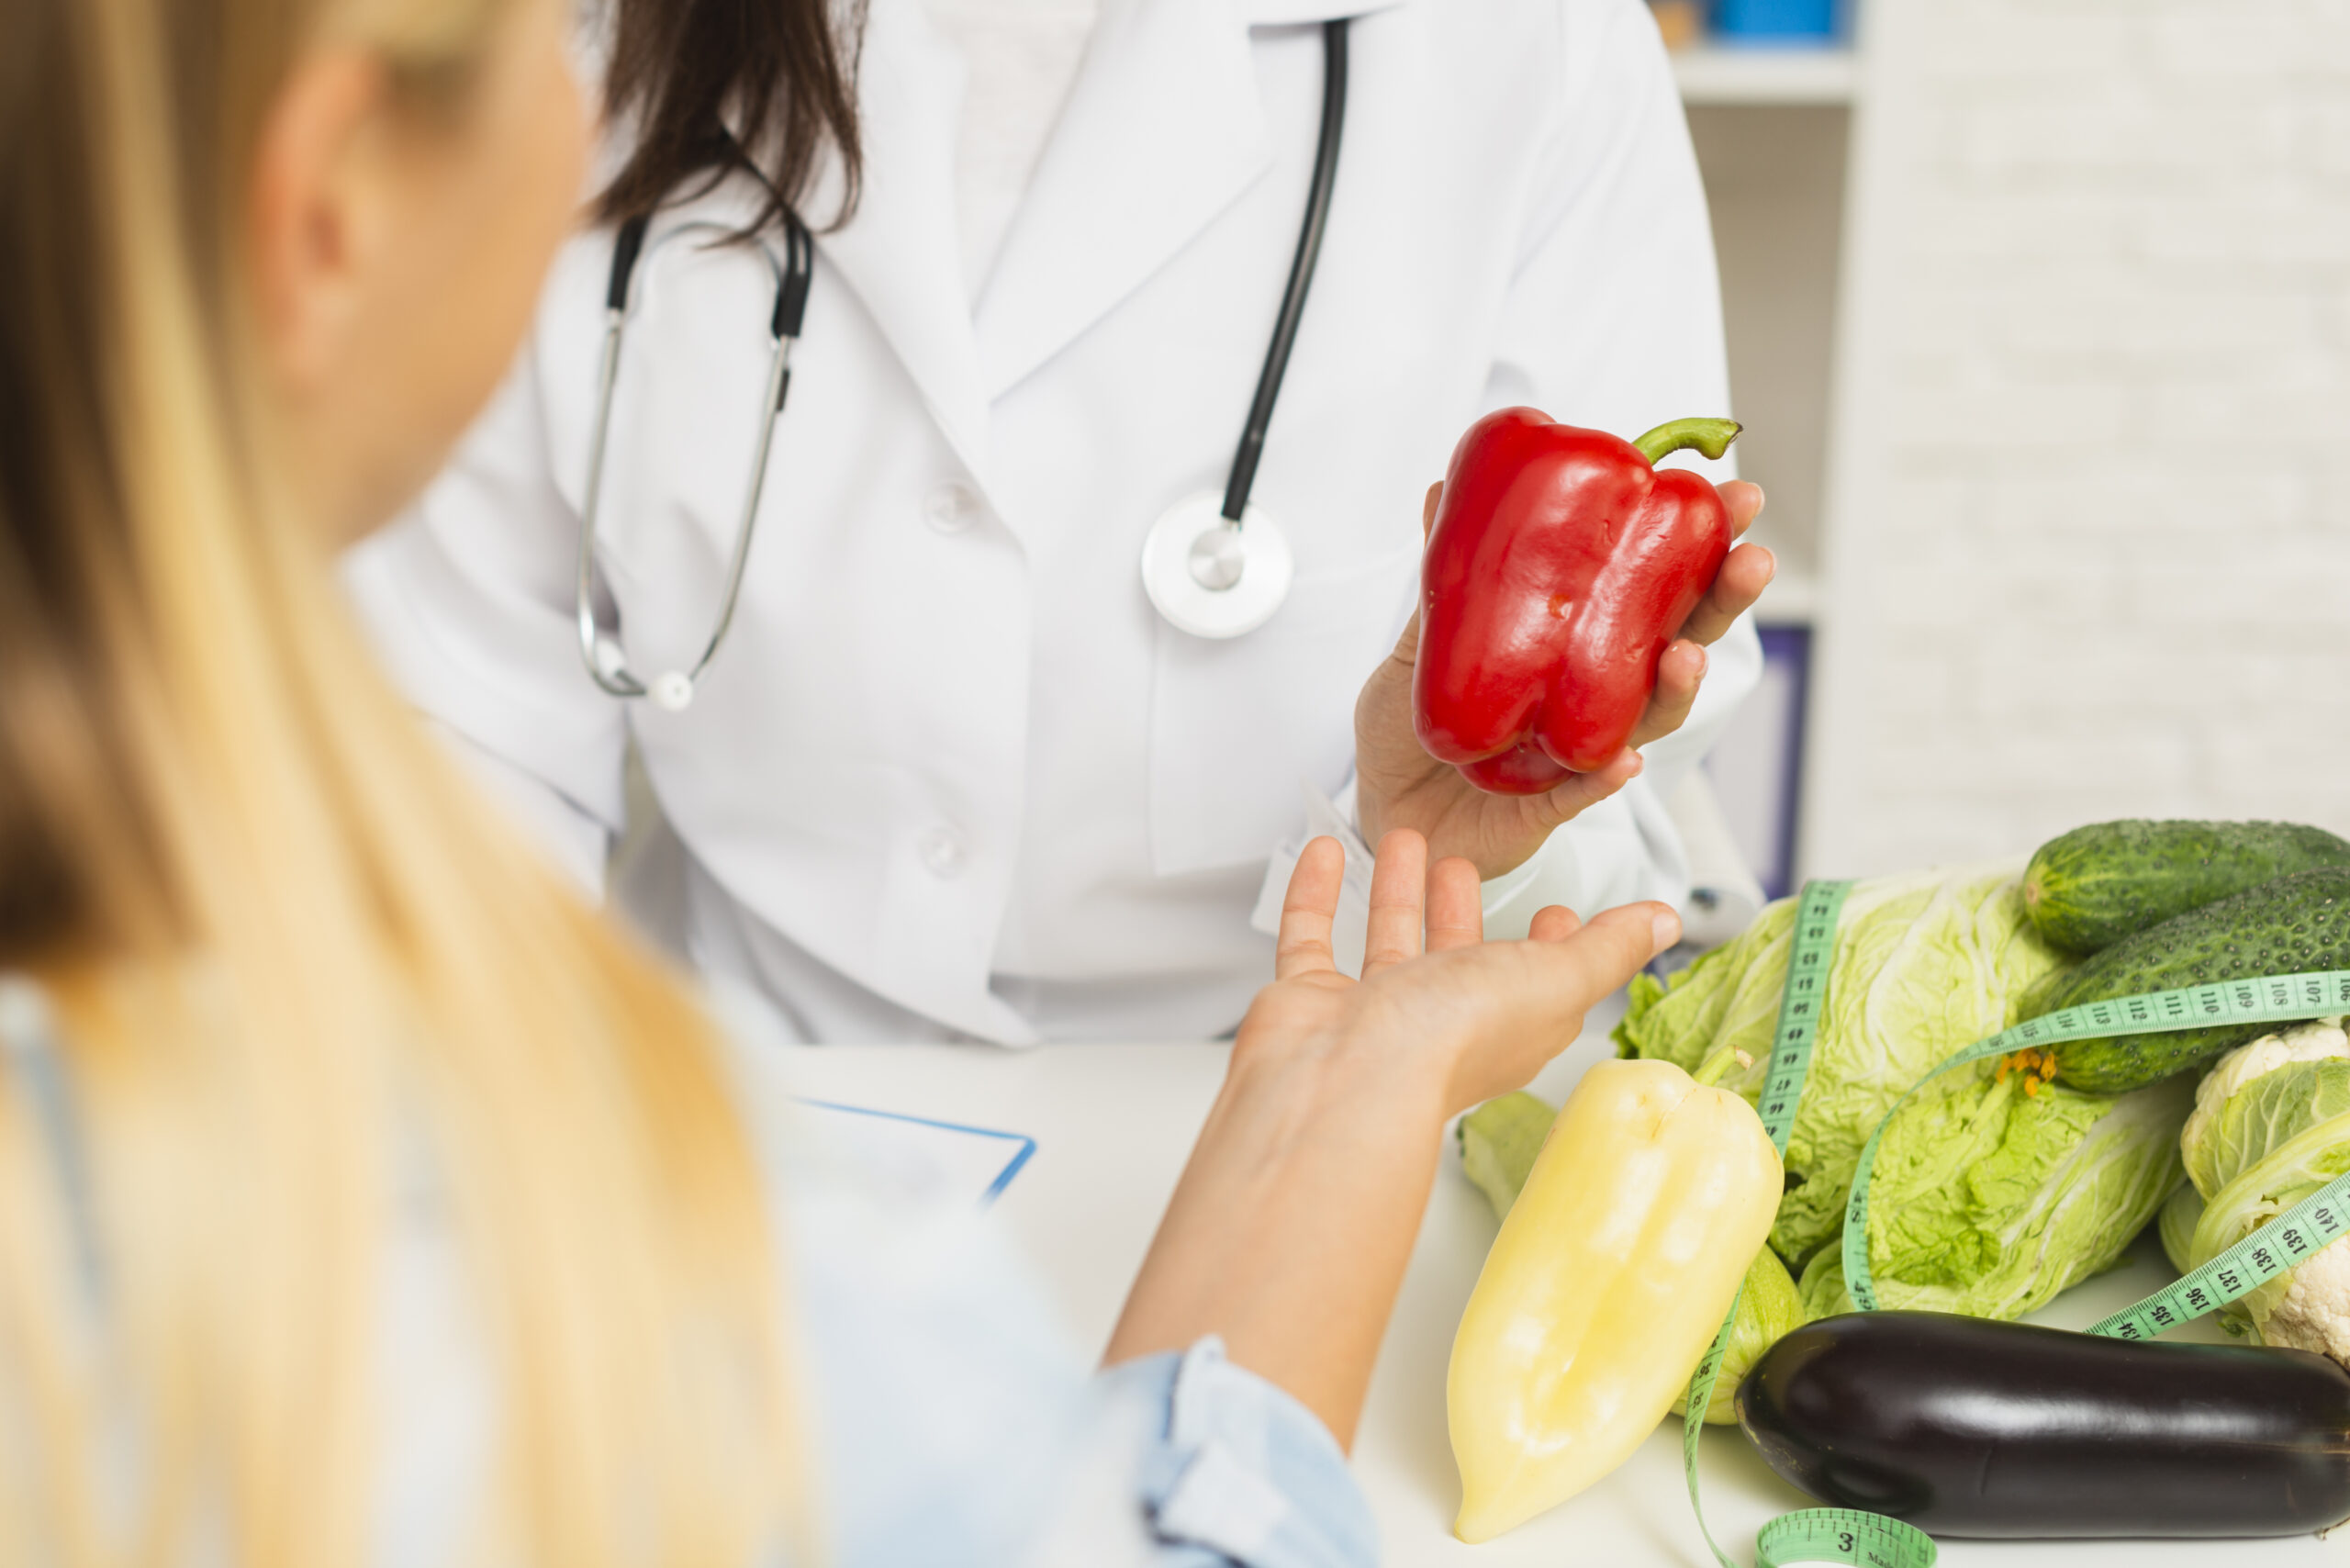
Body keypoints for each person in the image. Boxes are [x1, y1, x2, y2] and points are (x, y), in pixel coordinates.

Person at [0, 0, 1683, 1562]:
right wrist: (1353, 1101)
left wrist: (1340, 1069)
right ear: (333, 199)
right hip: (783, 1139)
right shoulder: (736, 1300)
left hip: (1153, 1130)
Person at [343, 0, 1774, 1044]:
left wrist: (1446, 858)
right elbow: (459, 723)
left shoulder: (1529, 45)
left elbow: (1597, 781)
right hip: (737, 1097)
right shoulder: (554, 44)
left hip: (1280, 1100)